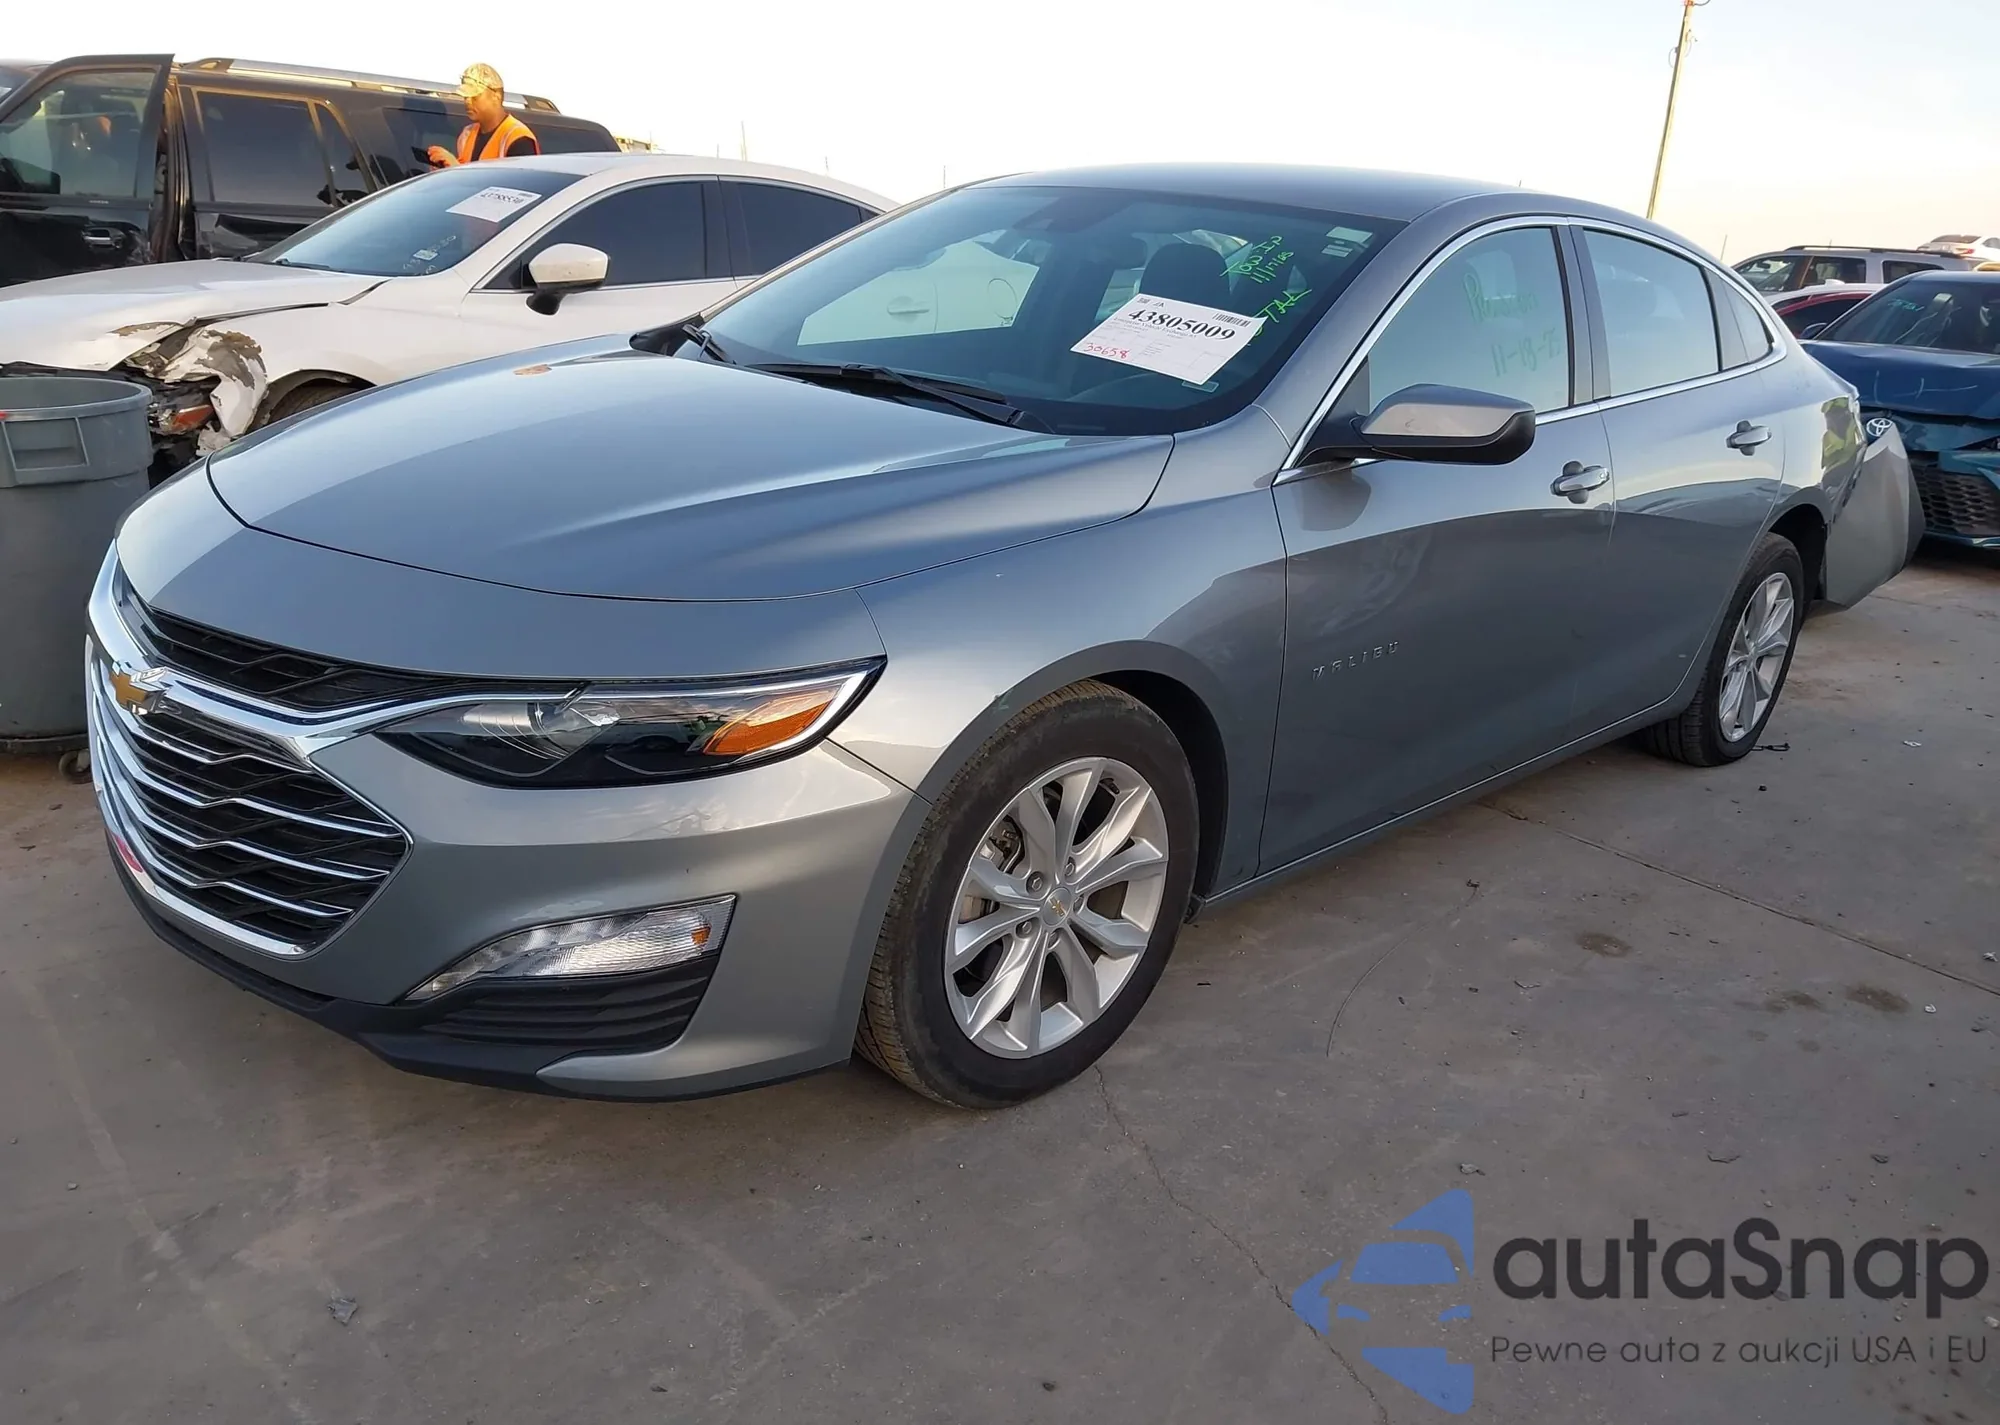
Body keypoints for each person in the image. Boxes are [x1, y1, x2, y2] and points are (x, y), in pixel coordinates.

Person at [426, 63, 538, 168]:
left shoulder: (518, 138)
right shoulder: (467, 134)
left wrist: (456, 169)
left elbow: (519, 181)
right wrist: (447, 172)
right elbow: (468, 177)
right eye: (466, 97)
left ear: (496, 96)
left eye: (475, 96)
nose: (468, 101)